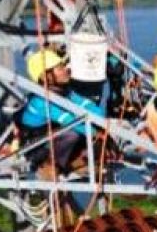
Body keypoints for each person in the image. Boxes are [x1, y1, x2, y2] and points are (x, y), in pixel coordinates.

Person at [17, 49, 105, 178]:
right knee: (73, 133)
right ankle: (51, 166)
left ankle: (72, 161)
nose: (66, 70)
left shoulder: (65, 92)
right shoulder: (40, 101)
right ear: (46, 76)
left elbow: (87, 106)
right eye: (59, 68)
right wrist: (97, 133)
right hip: (35, 147)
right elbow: (68, 121)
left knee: (83, 131)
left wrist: (102, 123)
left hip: (52, 137)